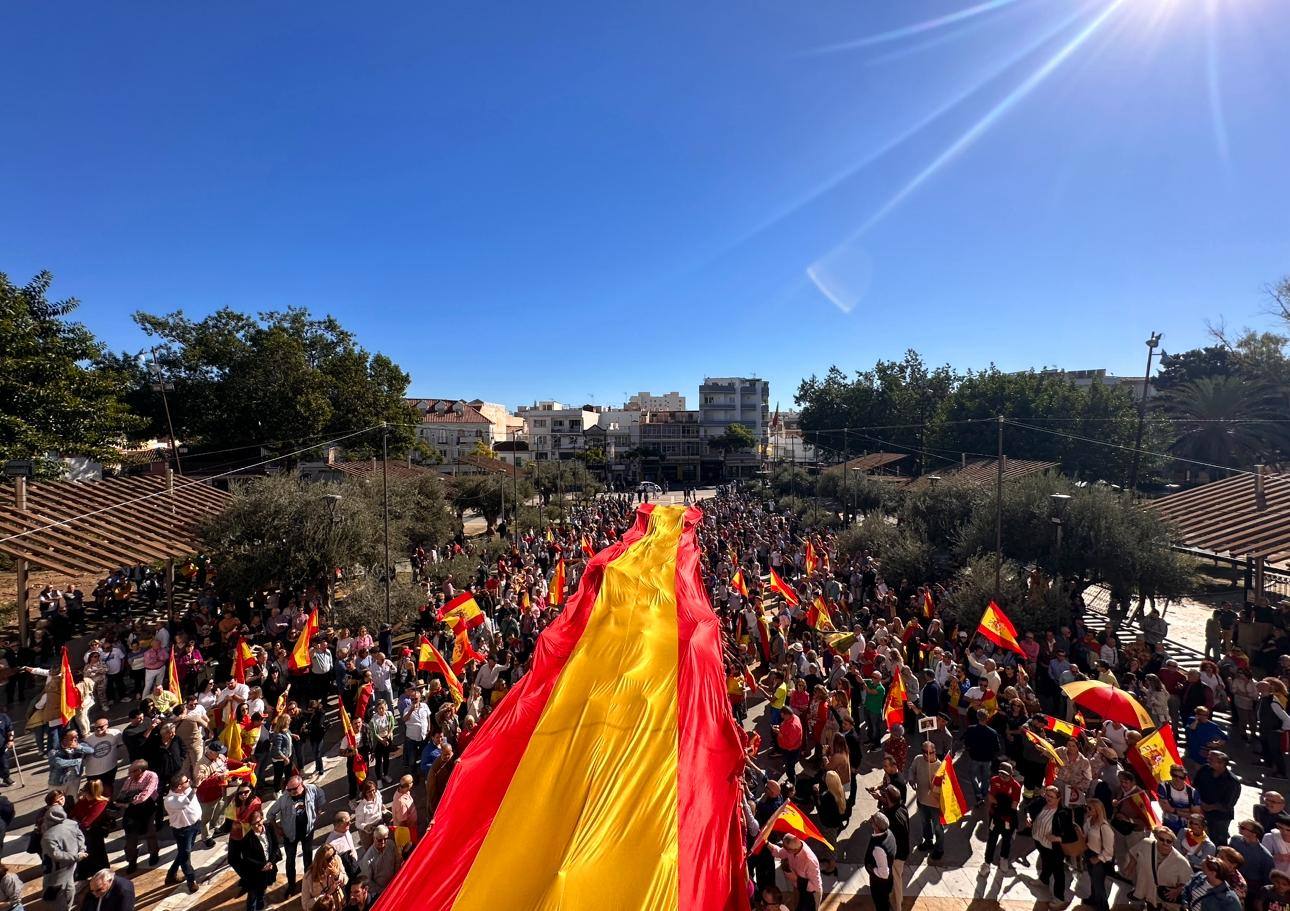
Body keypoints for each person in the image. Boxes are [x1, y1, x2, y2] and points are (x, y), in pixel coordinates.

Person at [268, 775, 326, 897]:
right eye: (288, 790)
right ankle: (291, 885)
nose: (291, 792)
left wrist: (319, 809)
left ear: (302, 785)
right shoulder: (284, 799)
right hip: (290, 834)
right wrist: (277, 828)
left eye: (294, 789)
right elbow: (270, 814)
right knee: (290, 861)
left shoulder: (312, 789)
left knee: (308, 859)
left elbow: (321, 795)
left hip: (307, 831)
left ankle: (307, 883)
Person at [1125, 826, 1191, 911]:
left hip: (1167, 901)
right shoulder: (1146, 844)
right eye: (1162, 839)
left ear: (1172, 843)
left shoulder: (1181, 861)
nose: (1165, 843)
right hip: (1149, 894)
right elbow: (1135, 853)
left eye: (1169, 841)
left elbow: (1189, 882)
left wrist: (1178, 890)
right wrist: (1130, 866)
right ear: (1156, 838)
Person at [1029, 785, 1072, 908]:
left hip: (1054, 847)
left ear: (1059, 799)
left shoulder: (1064, 813)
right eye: (1047, 795)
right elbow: (1029, 808)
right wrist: (1028, 817)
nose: (1048, 798)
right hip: (1039, 840)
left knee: (1058, 871)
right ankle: (1043, 880)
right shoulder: (1041, 802)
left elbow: (1071, 836)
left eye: (1051, 797)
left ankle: (1059, 898)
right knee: (1045, 861)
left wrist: (1057, 838)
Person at [40, 804, 87, 911]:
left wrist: (75, 856)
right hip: (72, 862)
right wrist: (81, 851)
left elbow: (56, 855)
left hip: (57, 867)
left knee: (55, 892)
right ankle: (68, 906)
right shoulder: (72, 824)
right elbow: (80, 837)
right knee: (69, 885)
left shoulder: (49, 836)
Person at [162, 773, 202, 893]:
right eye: (186, 781)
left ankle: (171, 875)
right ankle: (191, 880)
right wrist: (195, 786)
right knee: (185, 856)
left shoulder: (187, 789)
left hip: (195, 825)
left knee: (183, 852)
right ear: (179, 786)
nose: (188, 782)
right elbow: (185, 802)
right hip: (183, 831)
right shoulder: (169, 800)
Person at [1194, 751, 1241, 844]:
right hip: (1199, 810)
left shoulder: (1232, 782)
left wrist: (1209, 807)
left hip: (1219, 818)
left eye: (1211, 759)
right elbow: (1195, 785)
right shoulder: (1204, 770)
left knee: (1216, 841)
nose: (1208, 760)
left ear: (1221, 763)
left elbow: (1228, 804)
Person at [768, 834, 823, 911]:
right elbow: (779, 853)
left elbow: (814, 886)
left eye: (786, 848)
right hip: (798, 887)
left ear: (793, 850)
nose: (783, 849)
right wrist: (767, 843)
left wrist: (797, 879)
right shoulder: (791, 848)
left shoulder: (809, 861)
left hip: (811, 894)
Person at [237, 811, 276, 911]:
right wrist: (263, 865)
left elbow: (275, 846)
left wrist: (270, 862)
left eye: (259, 822)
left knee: (262, 892)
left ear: (262, 819)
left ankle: (260, 907)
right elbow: (247, 857)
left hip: (268, 868)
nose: (257, 825)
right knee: (252, 896)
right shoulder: (247, 837)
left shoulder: (269, 828)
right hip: (254, 872)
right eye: (254, 824)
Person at [1083, 798, 1115, 911]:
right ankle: (1093, 899)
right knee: (1092, 880)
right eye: (1086, 807)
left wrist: (1098, 858)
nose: (1087, 810)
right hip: (1089, 853)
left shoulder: (1104, 827)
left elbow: (1109, 850)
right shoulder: (1090, 820)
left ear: (1097, 810)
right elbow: (1085, 834)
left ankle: (1102, 907)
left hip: (1099, 858)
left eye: (1090, 808)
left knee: (1099, 884)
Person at [358, 826, 402, 903]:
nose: (383, 842)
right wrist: (383, 891)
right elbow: (368, 882)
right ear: (374, 838)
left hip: (395, 883)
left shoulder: (391, 844)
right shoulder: (367, 859)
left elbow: (397, 861)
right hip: (381, 892)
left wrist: (396, 878)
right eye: (379, 840)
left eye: (385, 839)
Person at [863, 813, 896, 911]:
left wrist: (872, 869)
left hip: (880, 884)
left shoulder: (878, 848)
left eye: (872, 821)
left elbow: (884, 873)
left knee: (881, 904)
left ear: (876, 826)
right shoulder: (889, 833)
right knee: (885, 903)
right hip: (888, 882)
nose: (870, 821)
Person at [301, 843, 348, 911]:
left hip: (339, 904)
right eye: (329, 859)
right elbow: (305, 905)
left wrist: (337, 875)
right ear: (321, 861)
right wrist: (326, 895)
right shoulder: (308, 877)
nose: (333, 859)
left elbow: (345, 881)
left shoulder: (337, 859)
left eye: (334, 854)